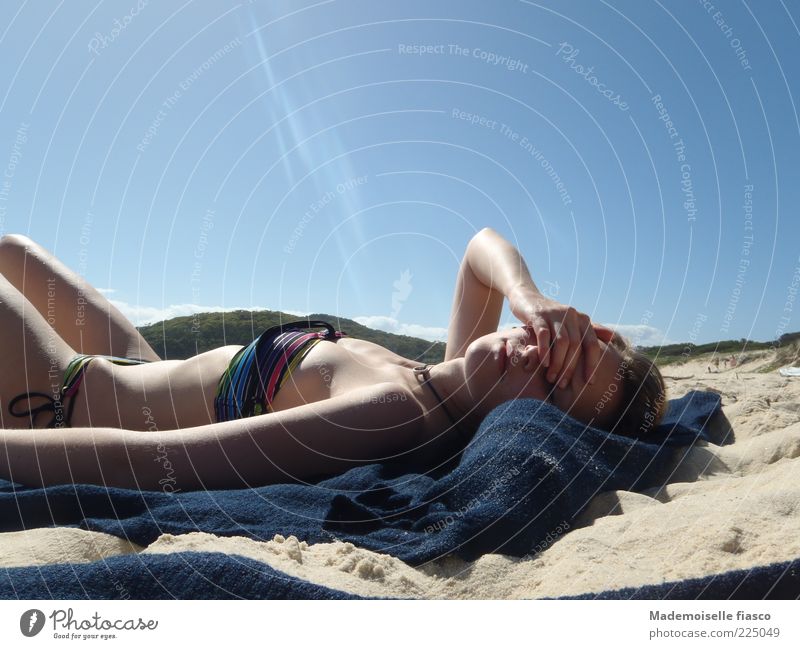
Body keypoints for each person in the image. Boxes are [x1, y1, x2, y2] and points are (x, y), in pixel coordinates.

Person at [0, 229, 667, 491]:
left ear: (530, 426)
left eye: (551, 382)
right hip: (134, 365)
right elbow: (478, 252)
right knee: (13, 248)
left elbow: (140, 462)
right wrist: (530, 295)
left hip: (58, 397)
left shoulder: (393, 412)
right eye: (561, 344)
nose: (534, 350)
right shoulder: (451, 378)